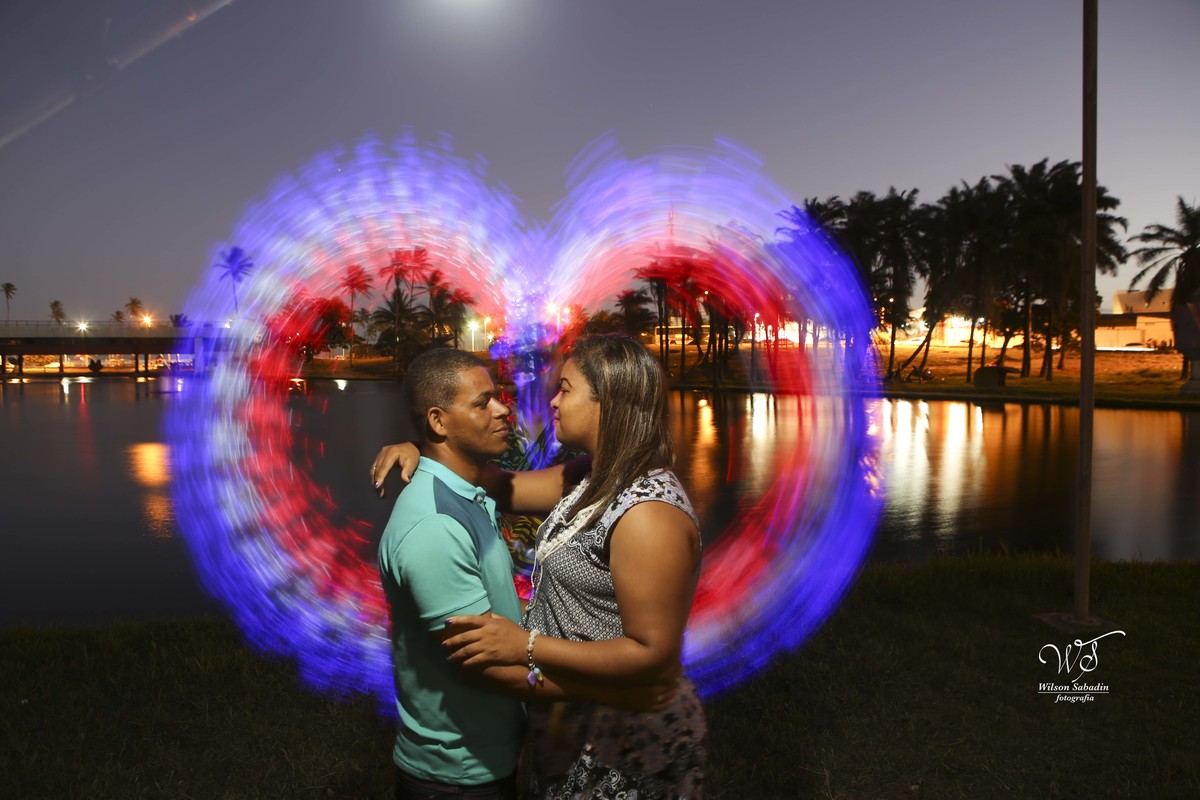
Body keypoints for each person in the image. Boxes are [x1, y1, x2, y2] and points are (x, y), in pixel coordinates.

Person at [374, 334, 706, 799]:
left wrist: (526, 645)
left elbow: (654, 653)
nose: (552, 400)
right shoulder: (591, 478)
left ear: (608, 403)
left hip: (626, 744)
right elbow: (500, 484)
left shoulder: (648, 514)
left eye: (566, 389)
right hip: (572, 736)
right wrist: (424, 445)